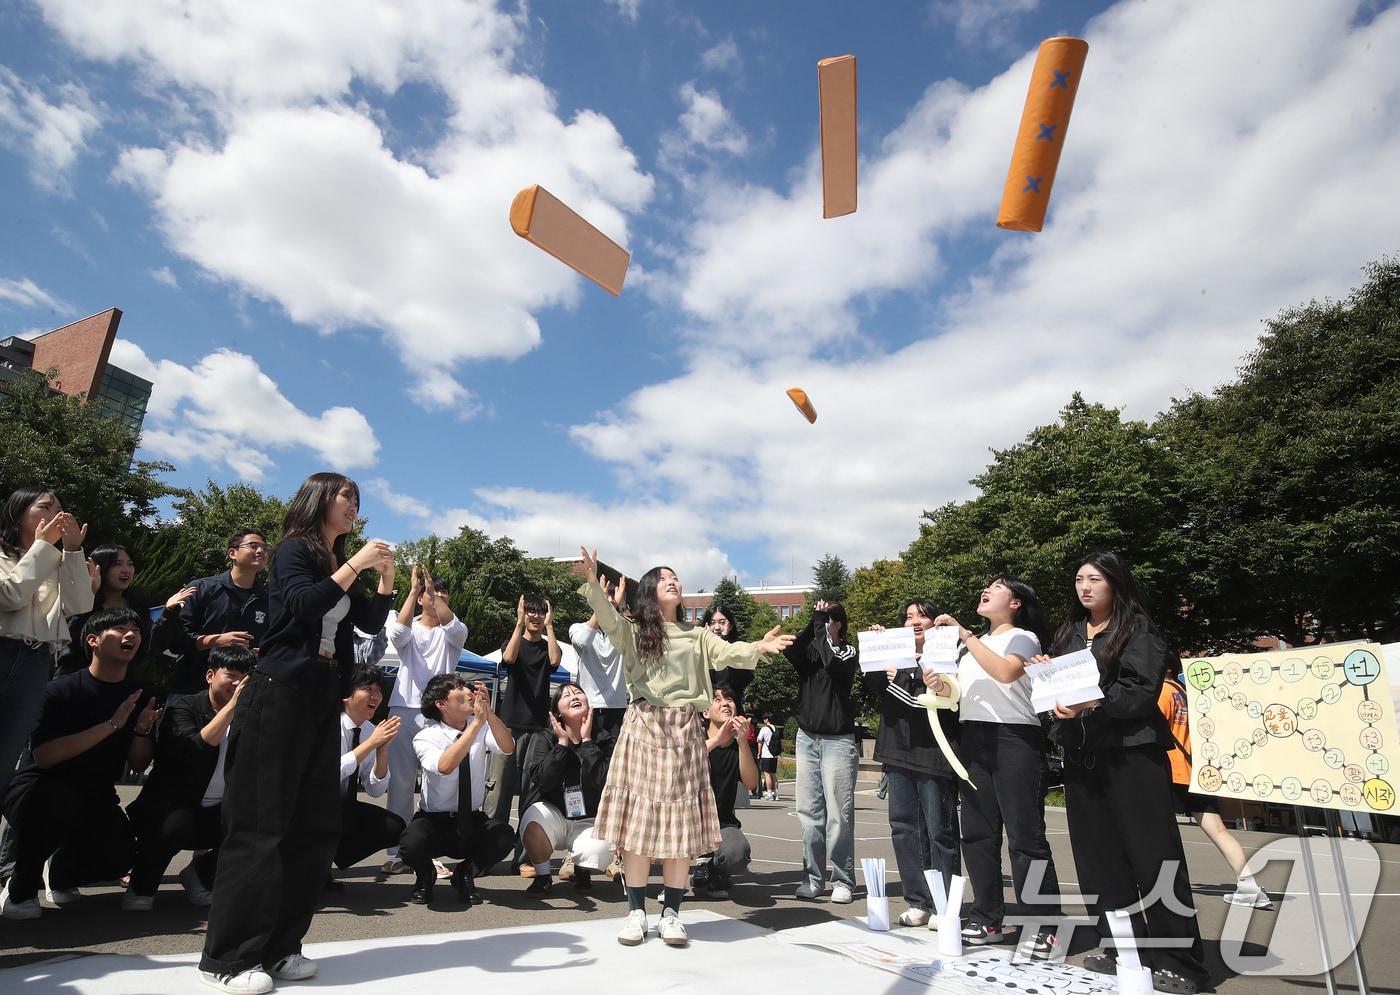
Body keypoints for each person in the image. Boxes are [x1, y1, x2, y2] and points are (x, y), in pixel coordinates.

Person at [198, 473, 395, 995]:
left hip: (323, 694)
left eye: (358, 499)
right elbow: (304, 606)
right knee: (260, 824)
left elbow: (368, 622)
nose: (354, 505)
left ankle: (282, 946)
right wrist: (356, 565)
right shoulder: (293, 550)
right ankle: (230, 956)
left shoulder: (338, 561)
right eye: (346, 496)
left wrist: (386, 578)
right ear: (319, 499)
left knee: (314, 824)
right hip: (280, 690)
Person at [577, 546, 793, 948]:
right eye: (663, 578)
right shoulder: (635, 631)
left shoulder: (698, 635)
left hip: (684, 729)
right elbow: (608, 619)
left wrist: (757, 647)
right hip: (644, 726)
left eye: (675, 577)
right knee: (639, 827)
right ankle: (636, 911)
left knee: (679, 829)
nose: (672, 581)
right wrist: (592, 583)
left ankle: (672, 913)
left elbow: (728, 653)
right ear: (650, 591)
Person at [1041, 552, 1207, 995]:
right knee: (1098, 859)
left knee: (1153, 857)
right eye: (1080, 579)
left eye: (1095, 579)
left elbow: (1139, 693)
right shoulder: (1070, 631)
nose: (1085, 586)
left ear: (1116, 583)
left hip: (1132, 755)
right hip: (1082, 755)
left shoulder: (1137, 629)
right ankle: (1122, 948)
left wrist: (1092, 700)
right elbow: (1061, 686)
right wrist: (1047, 678)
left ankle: (1180, 962)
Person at [930, 577, 1062, 958]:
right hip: (973, 739)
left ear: (1016, 602)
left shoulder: (1024, 638)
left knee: (1025, 837)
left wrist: (966, 635)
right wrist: (938, 684)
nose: (986, 591)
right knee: (977, 834)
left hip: (1014, 738)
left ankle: (1043, 926)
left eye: (997, 587)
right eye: (986, 587)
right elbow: (955, 693)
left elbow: (1006, 672)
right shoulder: (969, 647)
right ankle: (987, 917)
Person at [0, 607, 159, 919]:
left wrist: (142, 730)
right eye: (119, 628)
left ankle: (60, 872)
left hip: (96, 794)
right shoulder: (61, 690)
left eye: (136, 630)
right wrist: (112, 725)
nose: (130, 634)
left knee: (119, 855)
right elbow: (45, 757)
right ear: (93, 641)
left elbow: (139, 764)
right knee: (56, 803)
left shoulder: (139, 695)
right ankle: (20, 888)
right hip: (40, 789)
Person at [125, 645, 252, 910]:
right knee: (174, 824)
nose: (238, 684)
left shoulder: (251, 715)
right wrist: (231, 708)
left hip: (219, 809)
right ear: (210, 675)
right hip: (173, 807)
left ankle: (200, 875)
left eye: (245, 678)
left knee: (259, 823)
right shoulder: (183, 707)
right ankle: (142, 884)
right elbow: (194, 751)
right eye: (231, 675)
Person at [862, 600, 961, 929]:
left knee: (940, 830)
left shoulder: (947, 654)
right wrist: (877, 646)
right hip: (897, 749)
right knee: (903, 827)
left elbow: (949, 698)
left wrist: (908, 675)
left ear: (935, 622)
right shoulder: (895, 654)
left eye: (922, 615)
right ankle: (918, 901)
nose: (914, 621)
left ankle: (944, 904)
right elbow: (874, 687)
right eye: (908, 616)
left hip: (934, 753)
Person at [0, 486, 94, 807]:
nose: (57, 514)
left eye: (60, 508)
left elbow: (79, 604)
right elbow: (9, 596)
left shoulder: (55, 561)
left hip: (35, 659)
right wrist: (42, 547)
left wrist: (73, 550)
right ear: (18, 513)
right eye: (45, 506)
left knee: (7, 754)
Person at [400, 674, 516, 905]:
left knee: (503, 835)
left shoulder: (481, 726)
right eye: (459, 687)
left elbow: (507, 747)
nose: (468, 690)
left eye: (465, 685)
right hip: (434, 820)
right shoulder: (426, 736)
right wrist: (476, 725)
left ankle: (465, 873)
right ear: (441, 704)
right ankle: (425, 876)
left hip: (471, 818)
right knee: (411, 842)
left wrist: (489, 714)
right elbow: (445, 766)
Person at [380, 566, 466, 874]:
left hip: (439, 713)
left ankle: (430, 851)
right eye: (432, 592)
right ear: (418, 598)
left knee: (436, 783)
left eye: (443, 593)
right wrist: (414, 590)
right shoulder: (410, 626)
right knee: (401, 783)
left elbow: (456, 629)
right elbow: (397, 634)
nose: (438, 596)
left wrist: (432, 594)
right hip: (403, 708)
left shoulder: (453, 632)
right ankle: (398, 852)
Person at [1159, 674, 1270, 909]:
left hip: (1172, 771)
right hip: (1198, 771)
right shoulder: (1186, 692)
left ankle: (1162, 889)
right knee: (1218, 829)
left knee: (1156, 831)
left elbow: (1155, 731)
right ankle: (1249, 885)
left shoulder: (1163, 692)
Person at [785, 599, 860, 904]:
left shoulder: (847, 651)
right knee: (809, 813)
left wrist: (822, 628)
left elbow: (832, 662)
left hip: (838, 741)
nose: (821, 624)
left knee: (838, 814)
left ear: (838, 623)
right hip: (807, 738)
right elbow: (791, 650)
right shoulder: (811, 652)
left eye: (828, 619)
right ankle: (812, 878)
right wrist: (812, 621)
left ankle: (842, 879)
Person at [519, 682, 616, 895]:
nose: (574, 696)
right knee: (532, 820)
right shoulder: (544, 737)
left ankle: (582, 868)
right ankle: (543, 876)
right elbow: (543, 780)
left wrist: (588, 742)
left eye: (578, 692)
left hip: (590, 818)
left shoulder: (605, 739)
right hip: (554, 814)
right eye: (566, 695)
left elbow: (604, 781)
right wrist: (562, 744)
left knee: (598, 852)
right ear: (557, 712)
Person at [491, 592, 561, 872]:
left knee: (531, 794)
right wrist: (519, 623)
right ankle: (487, 855)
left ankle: (522, 859)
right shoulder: (514, 642)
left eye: (541, 612)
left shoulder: (547, 646)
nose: (536, 616)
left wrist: (551, 626)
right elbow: (508, 658)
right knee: (499, 791)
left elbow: (554, 661)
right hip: (509, 724)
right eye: (531, 611)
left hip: (539, 728)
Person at [56, 543, 193, 677]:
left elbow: (151, 647)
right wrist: (90, 594)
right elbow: (70, 648)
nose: (126, 570)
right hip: (79, 683)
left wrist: (169, 611)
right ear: (99, 568)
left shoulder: (138, 609)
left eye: (130, 564)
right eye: (117, 564)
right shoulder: (82, 605)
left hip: (122, 684)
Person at [331, 664, 404, 887]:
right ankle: (312, 867)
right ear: (346, 694)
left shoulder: (370, 730)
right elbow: (329, 773)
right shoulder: (329, 724)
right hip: (313, 807)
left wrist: (382, 752)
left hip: (344, 807)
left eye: (378, 690)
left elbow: (375, 790)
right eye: (367, 689)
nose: (375, 696)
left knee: (393, 826)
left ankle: (333, 858)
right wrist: (371, 744)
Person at [175, 529, 270, 694]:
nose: (261, 551)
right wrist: (215, 641)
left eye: (264, 548)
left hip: (243, 693)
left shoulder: (268, 600)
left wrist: (264, 652)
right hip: (193, 690)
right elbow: (177, 640)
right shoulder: (201, 589)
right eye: (253, 546)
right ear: (233, 553)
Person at [691, 680, 757, 900]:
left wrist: (743, 743)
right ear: (705, 712)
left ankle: (714, 869)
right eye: (717, 699)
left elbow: (751, 783)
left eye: (729, 699)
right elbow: (681, 763)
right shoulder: (694, 738)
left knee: (737, 854)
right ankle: (674, 882)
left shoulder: (739, 747)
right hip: (687, 821)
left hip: (722, 822)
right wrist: (717, 740)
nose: (726, 703)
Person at [568, 577, 630, 738]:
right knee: (587, 752)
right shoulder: (577, 628)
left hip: (618, 707)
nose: (608, 604)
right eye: (603, 600)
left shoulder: (622, 631)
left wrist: (623, 606)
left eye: (612, 601)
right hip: (588, 707)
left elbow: (639, 635)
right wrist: (600, 604)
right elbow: (583, 641)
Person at [703, 606, 754, 711]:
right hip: (706, 713)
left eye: (722, 622)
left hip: (731, 712)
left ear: (730, 626)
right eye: (712, 623)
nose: (717, 627)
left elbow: (742, 680)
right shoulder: (699, 652)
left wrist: (723, 643)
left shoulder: (738, 650)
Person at [756, 715, 779, 800]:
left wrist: (759, 753)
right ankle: (776, 793)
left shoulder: (764, 729)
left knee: (767, 774)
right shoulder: (776, 729)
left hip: (766, 754)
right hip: (775, 754)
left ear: (766, 720)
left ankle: (769, 793)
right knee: (773, 774)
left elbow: (759, 740)